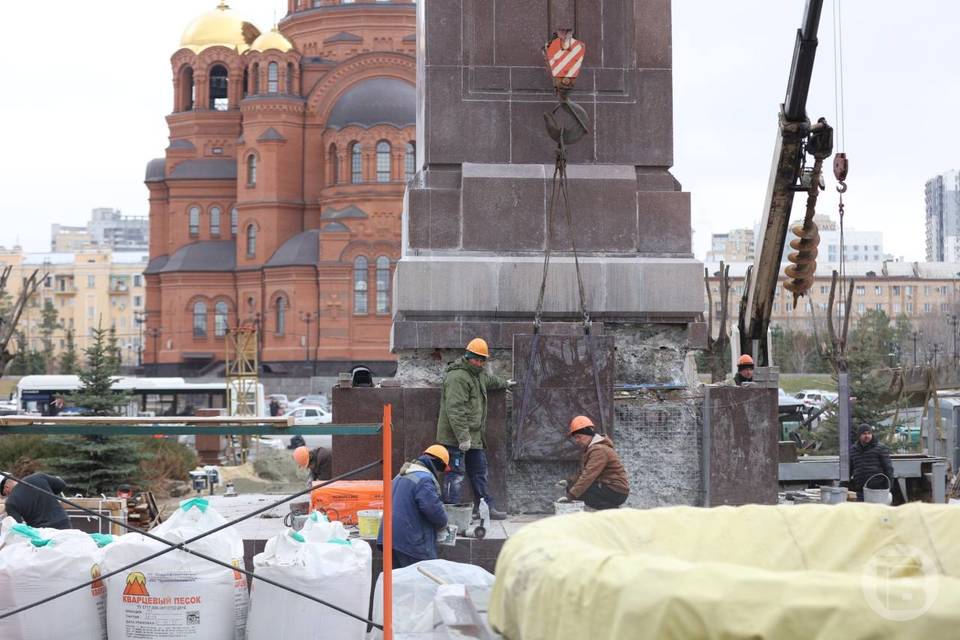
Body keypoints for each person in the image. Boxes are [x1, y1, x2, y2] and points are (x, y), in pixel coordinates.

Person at [436, 337, 513, 520]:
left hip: (474, 437)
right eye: (476, 359)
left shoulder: (476, 374)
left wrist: (505, 383)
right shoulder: (458, 377)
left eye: (482, 360)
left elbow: (489, 381)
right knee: (454, 475)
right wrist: (463, 437)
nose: (479, 363)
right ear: (468, 357)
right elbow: (455, 410)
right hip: (455, 439)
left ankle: (486, 508)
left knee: (479, 473)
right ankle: (450, 514)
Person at [377, 444, 450, 568]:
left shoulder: (400, 476)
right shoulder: (424, 480)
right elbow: (433, 509)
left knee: (399, 582)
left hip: (389, 537)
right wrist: (444, 523)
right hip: (410, 540)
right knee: (422, 579)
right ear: (437, 464)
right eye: (441, 470)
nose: (439, 473)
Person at [564, 415, 630, 510]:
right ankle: (610, 511)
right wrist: (568, 481)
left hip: (616, 491)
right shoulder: (592, 448)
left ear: (588, 433)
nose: (577, 440)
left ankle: (611, 511)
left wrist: (570, 496)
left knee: (578, 490)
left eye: (579, 437)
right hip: (612, 488)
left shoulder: (599, 450)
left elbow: (588, 476)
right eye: (575, 438)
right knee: (573, 487)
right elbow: (583, 472)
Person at [0, 472, 71, 529]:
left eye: (4, 494)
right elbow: (61, 484)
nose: (7, 496)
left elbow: (18, 529)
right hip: (63, 524)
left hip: (41, 533)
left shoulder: (11, 503)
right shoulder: (37, 477)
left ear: (6, 488)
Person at [849, 424, 894, 502]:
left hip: (877, 490)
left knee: (877, 513)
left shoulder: (880, 448)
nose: (867, 436)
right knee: (863, 513)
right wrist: (843, 485)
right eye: (864, 434)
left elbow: (888, 469)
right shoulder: (853, 450)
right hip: (861, 490)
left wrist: (888, 487)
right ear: (859, 435)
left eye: (869, 433)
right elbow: (849, 469)